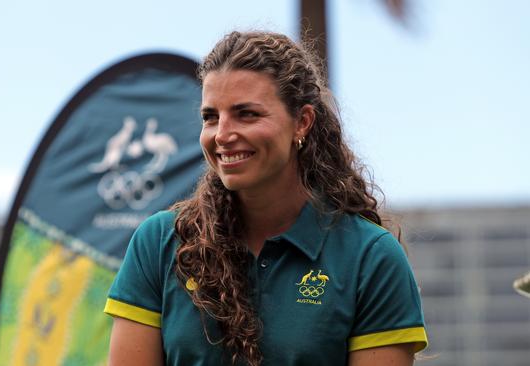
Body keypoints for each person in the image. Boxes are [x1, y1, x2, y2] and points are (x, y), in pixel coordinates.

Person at [104, 31, 428, 366]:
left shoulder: (370, 257)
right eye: (210, 117)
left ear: (301, 122)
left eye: (247, 114)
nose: (223, 135)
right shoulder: (158, 244)